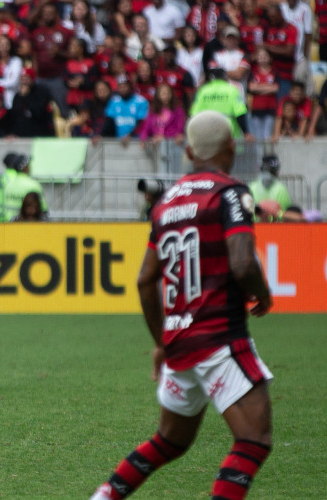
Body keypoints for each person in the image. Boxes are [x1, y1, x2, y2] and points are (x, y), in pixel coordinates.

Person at [90, 110, 273, 500]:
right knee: (254, 440)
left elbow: (144, 280)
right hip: (219, 336)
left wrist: (161, 342)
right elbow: (242, 262)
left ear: (188, 150)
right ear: (231, 146)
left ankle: (103, 496)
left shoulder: (166, 201)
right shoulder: (230, 193)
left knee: (169, 442)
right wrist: (265, 293)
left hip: (179, 340)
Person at [189, 68, 253, 141]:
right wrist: (246, 132)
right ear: (225, 77)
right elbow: (240, 112)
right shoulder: (232, 90)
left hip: (207, 133)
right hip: (229, 133)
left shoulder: (203, 91)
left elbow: (194, 113)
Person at [1, 153, 48, 222]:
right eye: (28, 164)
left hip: (9, 223)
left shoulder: (8, 185)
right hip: (28, 223)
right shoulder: (33, 185)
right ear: (25, 167)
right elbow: (43, 208)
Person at [248, 154, 292, 220]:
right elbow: (285, 214)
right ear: (276, 171)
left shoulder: (251, 187)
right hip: (275, 228)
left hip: (254, 227)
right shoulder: (281, 188)